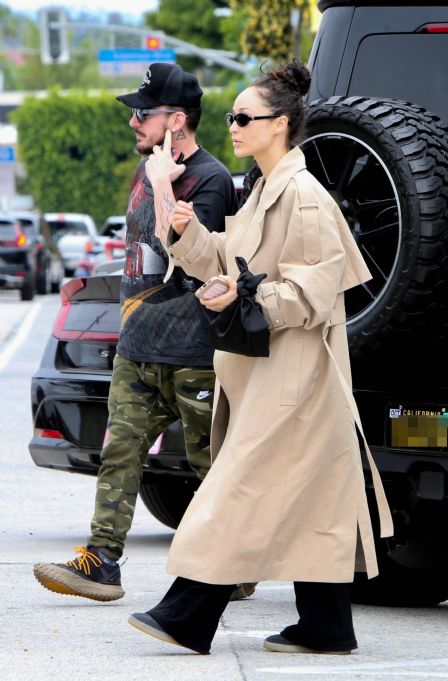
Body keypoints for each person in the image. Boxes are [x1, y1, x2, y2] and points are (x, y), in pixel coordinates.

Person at [127, 59, 393, 655]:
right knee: (312, 501)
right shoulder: (262, 190)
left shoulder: (303, 195)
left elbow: (316, 289)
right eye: (232, 117)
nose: (234, 126)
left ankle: (188, 613)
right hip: (268, 370)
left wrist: (247, 295)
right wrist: (183, 220)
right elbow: (225, 258)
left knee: (236, 491)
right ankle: (326, 626)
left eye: (245, 117)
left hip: (295, 376)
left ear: (280, 125)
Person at [33, 62, 240, 602]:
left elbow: (194, 259)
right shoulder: (149, 172)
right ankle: (101, 562)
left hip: (193, 351)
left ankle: (233, 565)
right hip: (139, 346)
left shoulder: (212, 179)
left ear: (177, 121)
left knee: (209, 464)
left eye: (142, 113)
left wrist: (161, 184)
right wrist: (97, 288)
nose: (133, 122)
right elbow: (142, 255)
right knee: (120, 452)